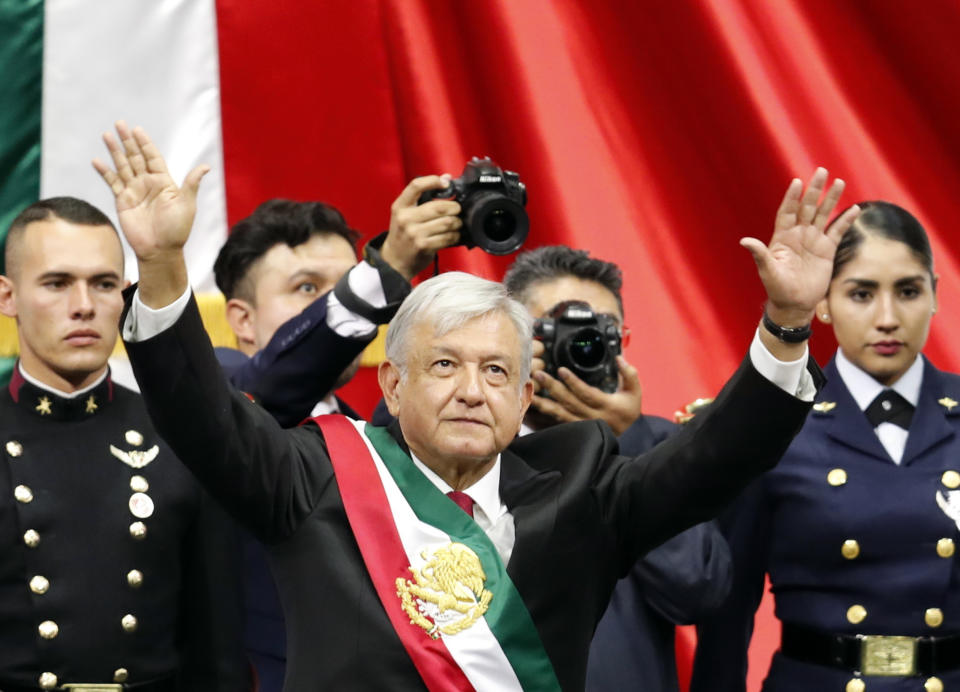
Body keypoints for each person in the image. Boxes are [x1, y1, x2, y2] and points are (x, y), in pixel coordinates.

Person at [97, 122, 856, 690]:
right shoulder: (316, 475)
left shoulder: (582, 491)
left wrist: (788, 323)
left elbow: (718, 456)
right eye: (444, 366)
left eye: (497, 370)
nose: (472, 389)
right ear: (392, 385)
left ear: (525, 394)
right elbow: (202, 414)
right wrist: (161, 265)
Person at [691, 202, 960, 692]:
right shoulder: (773, 425)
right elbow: (726, 619)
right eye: (861, 293)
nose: (887, 317)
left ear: (935, 295)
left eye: (908, 291)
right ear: (824, 302)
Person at [212, 190, 461, 691]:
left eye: (344, 285)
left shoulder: (376, 436)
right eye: (307, 288)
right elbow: (271, 390)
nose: (333, 302)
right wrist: (383, 271)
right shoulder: (218, 390)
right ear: (242, 319)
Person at [0, 196, 250, 691]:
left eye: (104, 284)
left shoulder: (179, 432)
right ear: (7, 298)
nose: (84, 306)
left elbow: (217, 641)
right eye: (56, 283)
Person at [503, 245, 731, 692]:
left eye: (599, 330)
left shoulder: (662, 445)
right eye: (556, 328)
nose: (579, 342)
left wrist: (625, 445)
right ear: (510, 336)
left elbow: (699, 591)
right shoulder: (467, 442)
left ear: (622, 345)